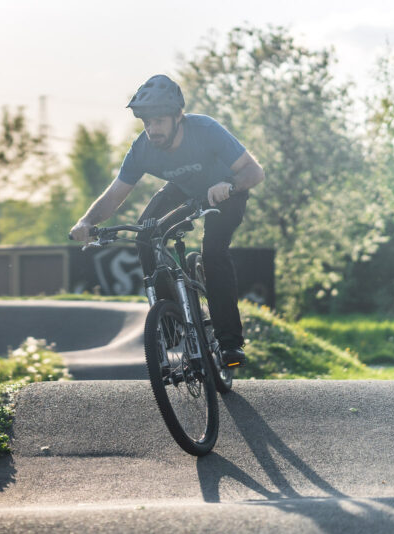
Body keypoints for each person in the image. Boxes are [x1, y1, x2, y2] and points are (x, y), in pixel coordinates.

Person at [69, 74, 264, 367]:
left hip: (225, 191)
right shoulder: (142, 149)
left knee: (213, 253)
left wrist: (231, 186)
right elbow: (113, 196)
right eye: (146, 123)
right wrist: (86, 221)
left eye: (158, 121)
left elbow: (254, 171)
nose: (152, 129)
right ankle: (171, 320)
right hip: (183, 189)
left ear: (178, 117)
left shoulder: (206, 130)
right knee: (145, 233)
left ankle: (229, 344)